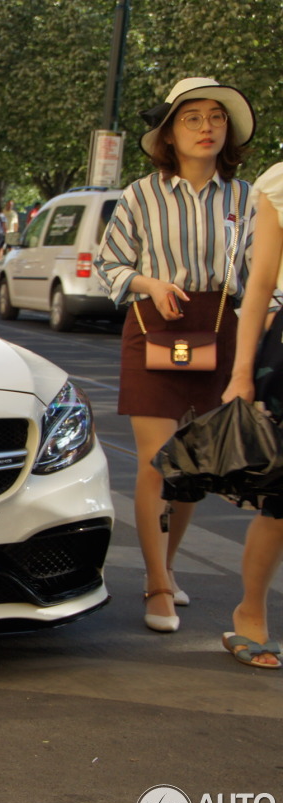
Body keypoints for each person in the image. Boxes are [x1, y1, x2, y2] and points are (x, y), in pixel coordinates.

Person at [96, 77, 255, 633]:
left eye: (216, 117)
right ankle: (157, 584)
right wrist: (149, 283)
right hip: (154, 322)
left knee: (195, 466)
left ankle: (168, 566)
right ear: (169, 132)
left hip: (221, 325)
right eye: (193, 117)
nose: (207, 126)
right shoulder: (141, 195)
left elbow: (263, 276)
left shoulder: (245, 197)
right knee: (156, 461)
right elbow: (110, 265)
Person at [217, 160, 283, 668]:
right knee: (281, 502)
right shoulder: (279, 184)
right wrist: (241, 372)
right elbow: (259, 286)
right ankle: (251, 609)